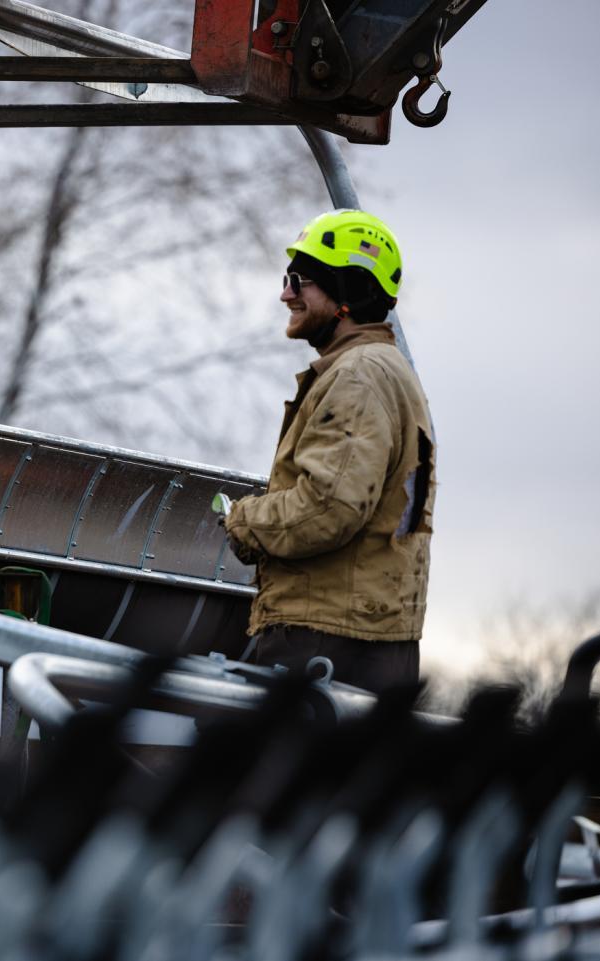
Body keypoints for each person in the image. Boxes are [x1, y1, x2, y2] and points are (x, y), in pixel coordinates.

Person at [223, 210, 436, 693]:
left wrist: (242, 521)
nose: (285, 294)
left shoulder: (357, 377)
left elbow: (329, 506)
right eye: (286, 279)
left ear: (347, 292)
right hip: (358, 642)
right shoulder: (383, 370)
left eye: (300, 281)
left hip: (326, 644)